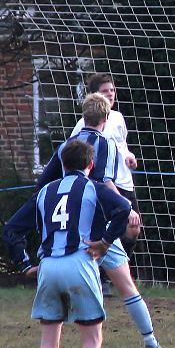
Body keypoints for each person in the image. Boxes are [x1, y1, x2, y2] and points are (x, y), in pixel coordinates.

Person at [2, 93, 170, 348]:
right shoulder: (107, 146)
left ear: (83, 117)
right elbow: (104, 185)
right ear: (106, 118)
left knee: (56, 297)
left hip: (62, 230)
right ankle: (150, 341)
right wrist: (126, 211)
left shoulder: (67, 146)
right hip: (95, 231)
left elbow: (43, 183)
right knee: (126, 286)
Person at [29, 139, 132, 348]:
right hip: (80, 263)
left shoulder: (44, 192)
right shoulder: (93, 187)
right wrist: (106, 241)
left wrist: (25, 262)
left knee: (48, 342)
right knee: (92, 339)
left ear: (61, 164)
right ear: (91, 165)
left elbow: (19, 227)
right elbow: (123, 208)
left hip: (48, 267)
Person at [71, 74, 141, 258]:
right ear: (95, 95)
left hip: (125, 183)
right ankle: (104, 277)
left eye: (112, 90)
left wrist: (130, 158)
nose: (110, 94)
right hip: (105, 186)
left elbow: (122, 146)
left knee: (133, 228)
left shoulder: (118, 118)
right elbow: (74, 153)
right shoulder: (83, 125)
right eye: (105, 91)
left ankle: (115, 270)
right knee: (106, 229)